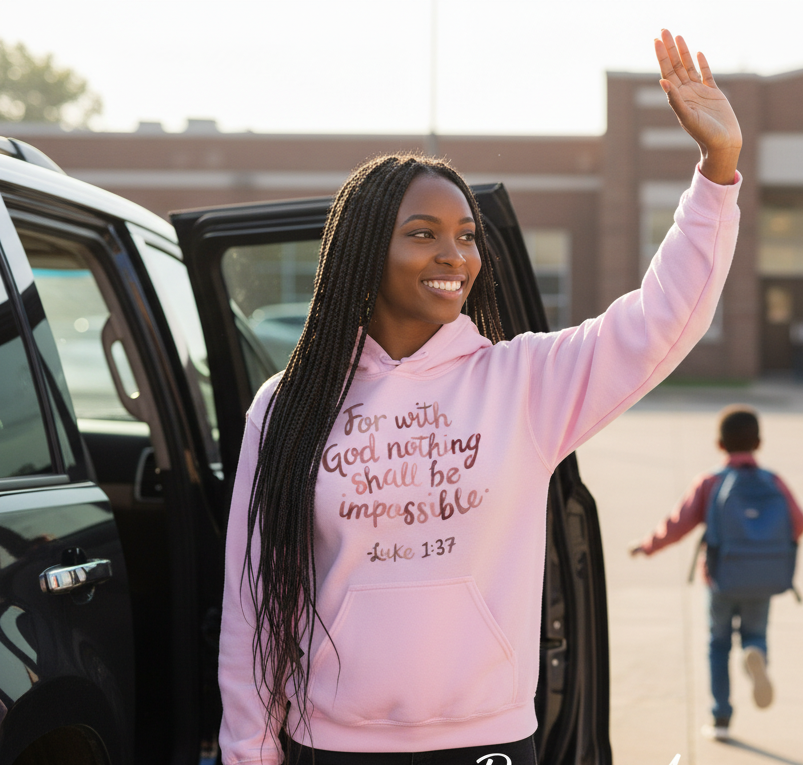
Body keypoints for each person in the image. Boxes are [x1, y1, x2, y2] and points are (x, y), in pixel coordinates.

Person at [219, 29, 743, 765]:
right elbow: (255, 599)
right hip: (327, 741)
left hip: (486, 740)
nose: (453, 255)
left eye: (465, 235)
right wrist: (249, 747)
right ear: (364, 251)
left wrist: (715, 172)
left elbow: (662, 319)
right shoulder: (288, 405)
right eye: (423, 233)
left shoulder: (522, 382)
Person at [630, 406, 803, 742]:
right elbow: (797, 523)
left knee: (718, 644)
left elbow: (677, 524)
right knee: (755, 632)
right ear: (759, 442)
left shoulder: (710, 482)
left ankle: (721, 718)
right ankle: (757, 657)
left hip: (721, 578)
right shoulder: (774, 482)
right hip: (764, 578)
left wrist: (647, 546)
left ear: (719, 444)